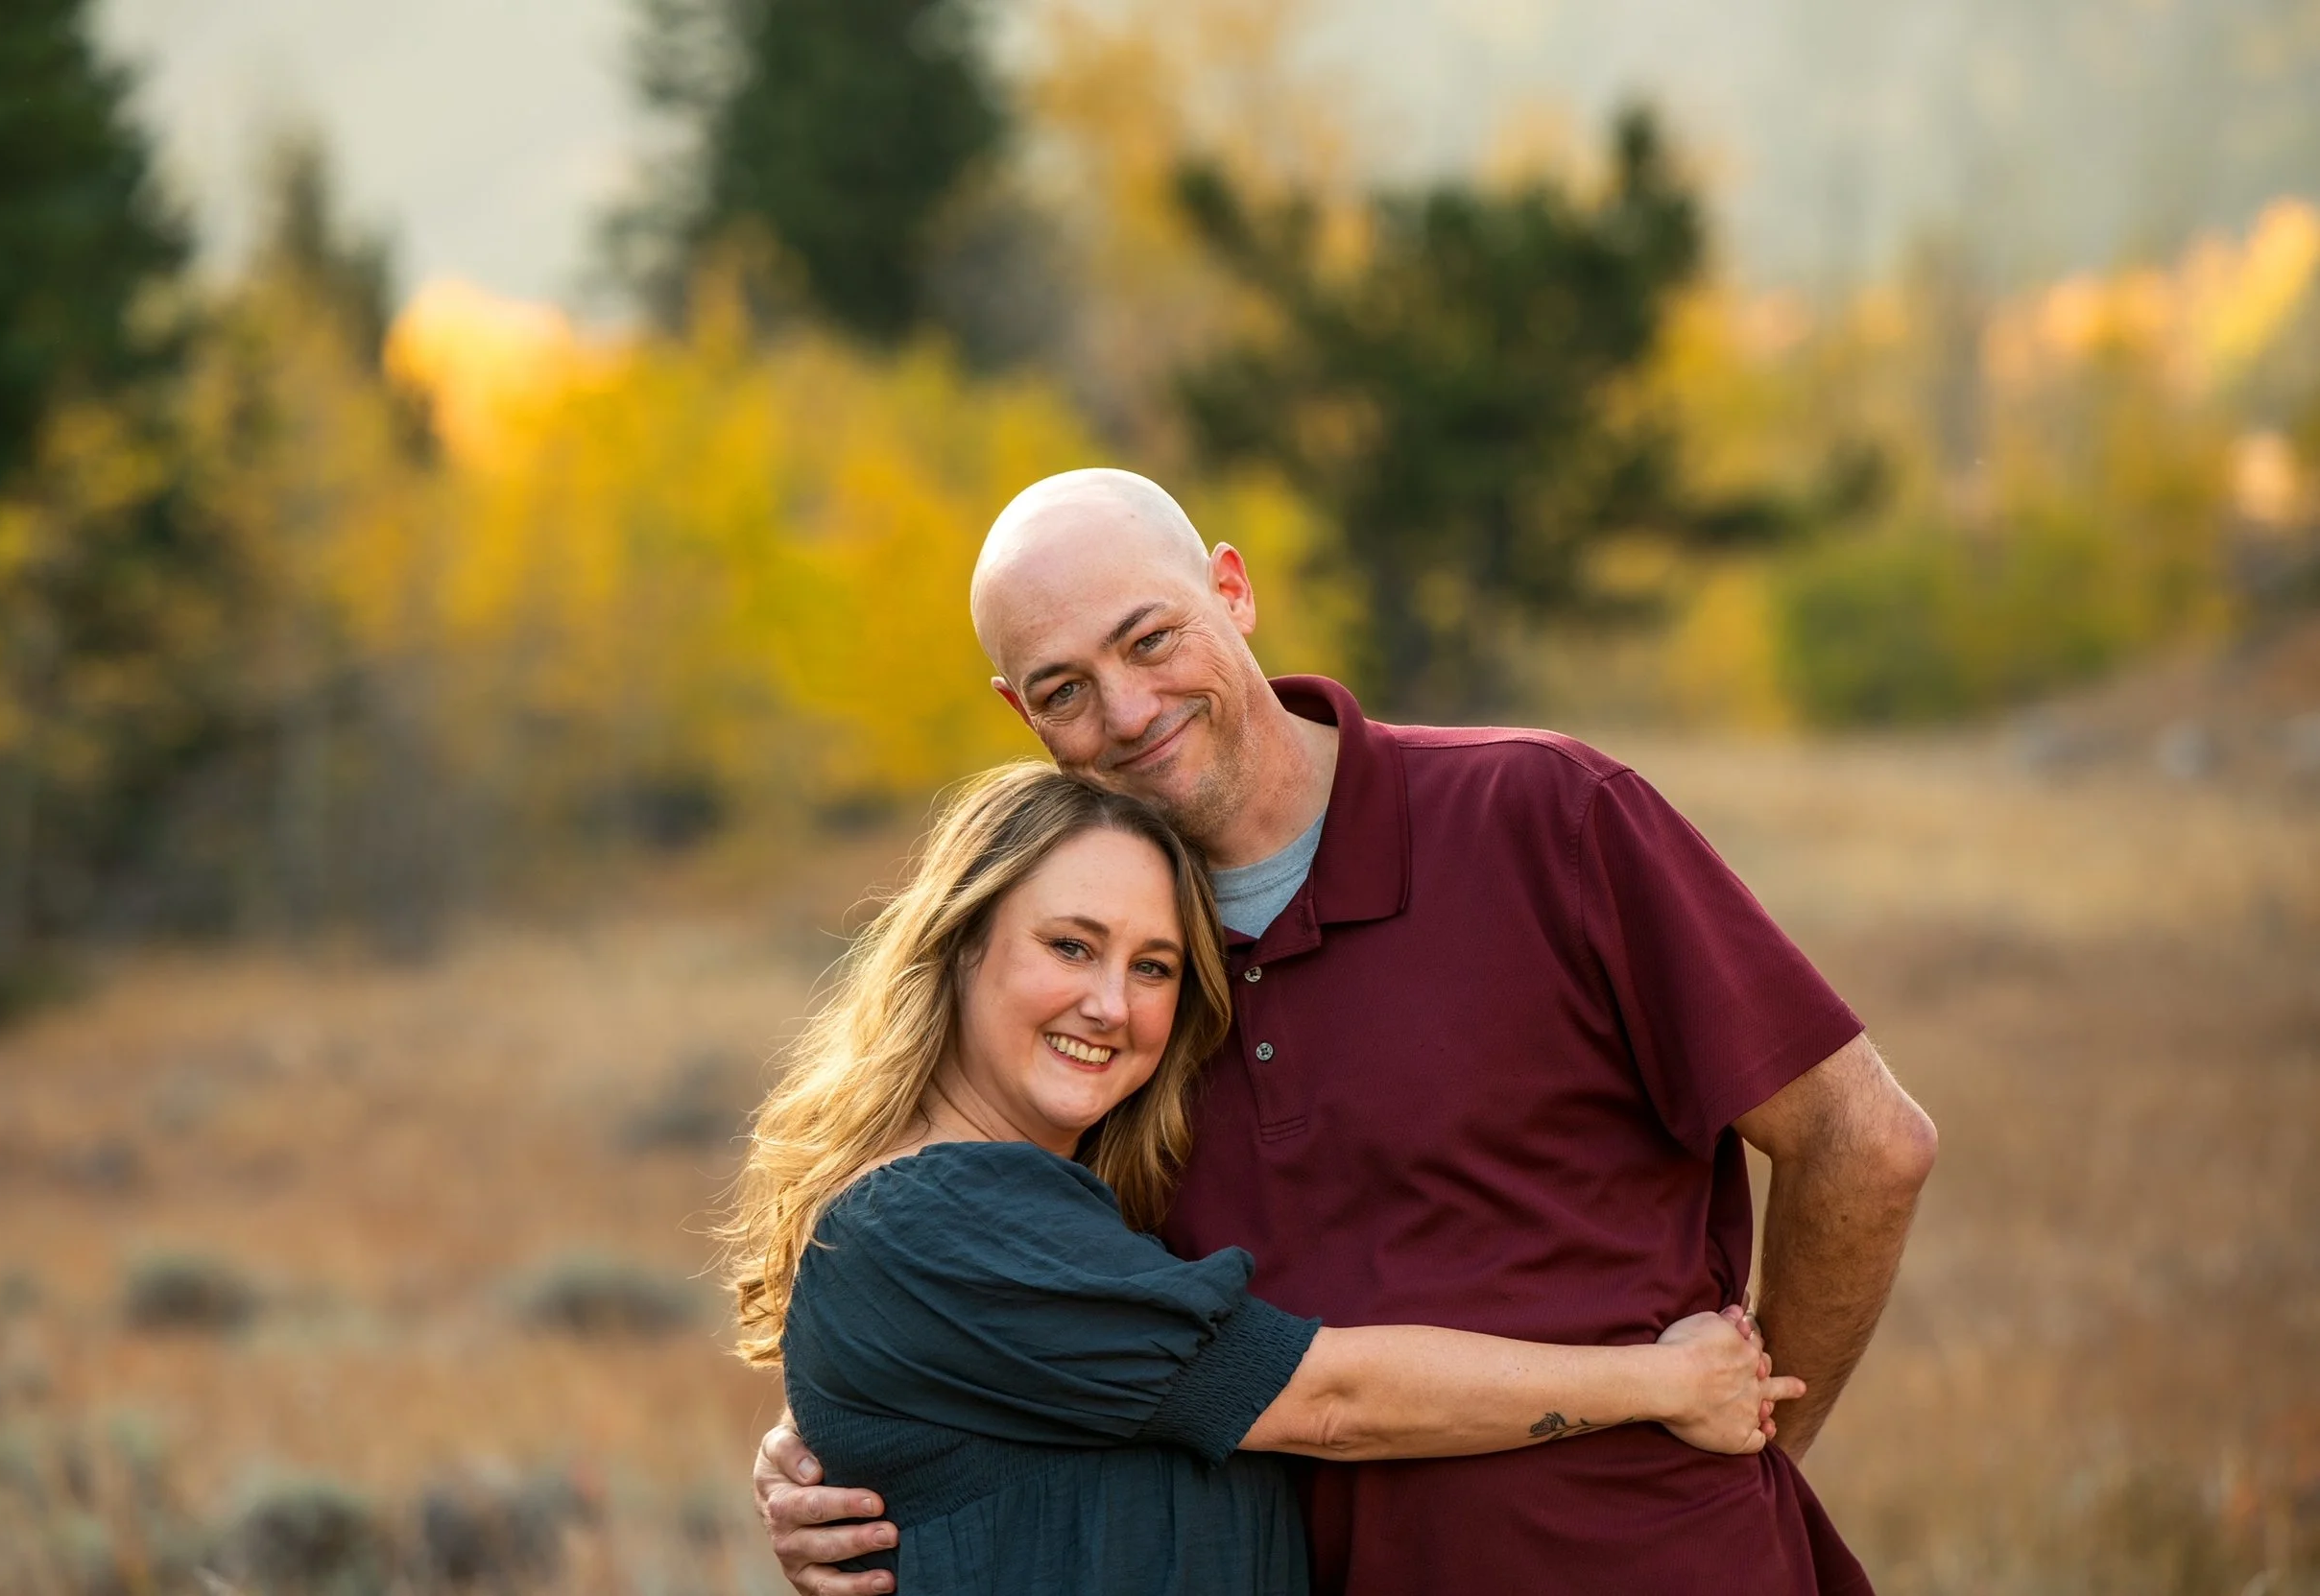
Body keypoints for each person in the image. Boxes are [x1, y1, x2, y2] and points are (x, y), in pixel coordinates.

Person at [756, 469, 1940, 1596]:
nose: (1127, 710)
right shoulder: (1106, 1005)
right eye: (1064, 688)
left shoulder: (1540, 815)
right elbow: (1035, 1291)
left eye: (1150, 637)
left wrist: (1740, 1445)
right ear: (1023, 715)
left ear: (1232, 589)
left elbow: (1866, 1140)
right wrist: (843, 1442)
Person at [726, 761, 1804, 1596]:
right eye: (1069, 945)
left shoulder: (1046, 1211)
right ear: (958, 946)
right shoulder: (933, 1218)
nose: (1113, 1003)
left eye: (1153, 967)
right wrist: (1664, 1384)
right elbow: (1327, 1401)